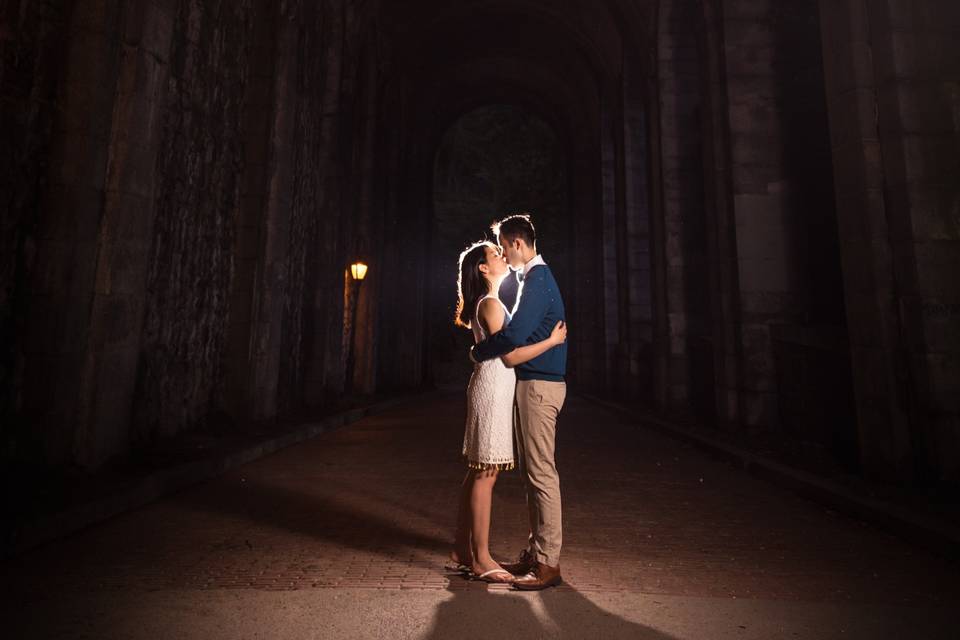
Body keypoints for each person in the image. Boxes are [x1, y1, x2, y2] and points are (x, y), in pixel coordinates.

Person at [447, 240, 567, 584]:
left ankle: (462, 549)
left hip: (493, 385)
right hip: (494, 388)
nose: (501, 256)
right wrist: (551, 342)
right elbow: (511, 356)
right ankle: (481, 558)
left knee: (478, 472)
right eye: (493, 255)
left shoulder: (491, 302)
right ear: (483, 269)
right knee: (486, 473)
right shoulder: (491, 304)